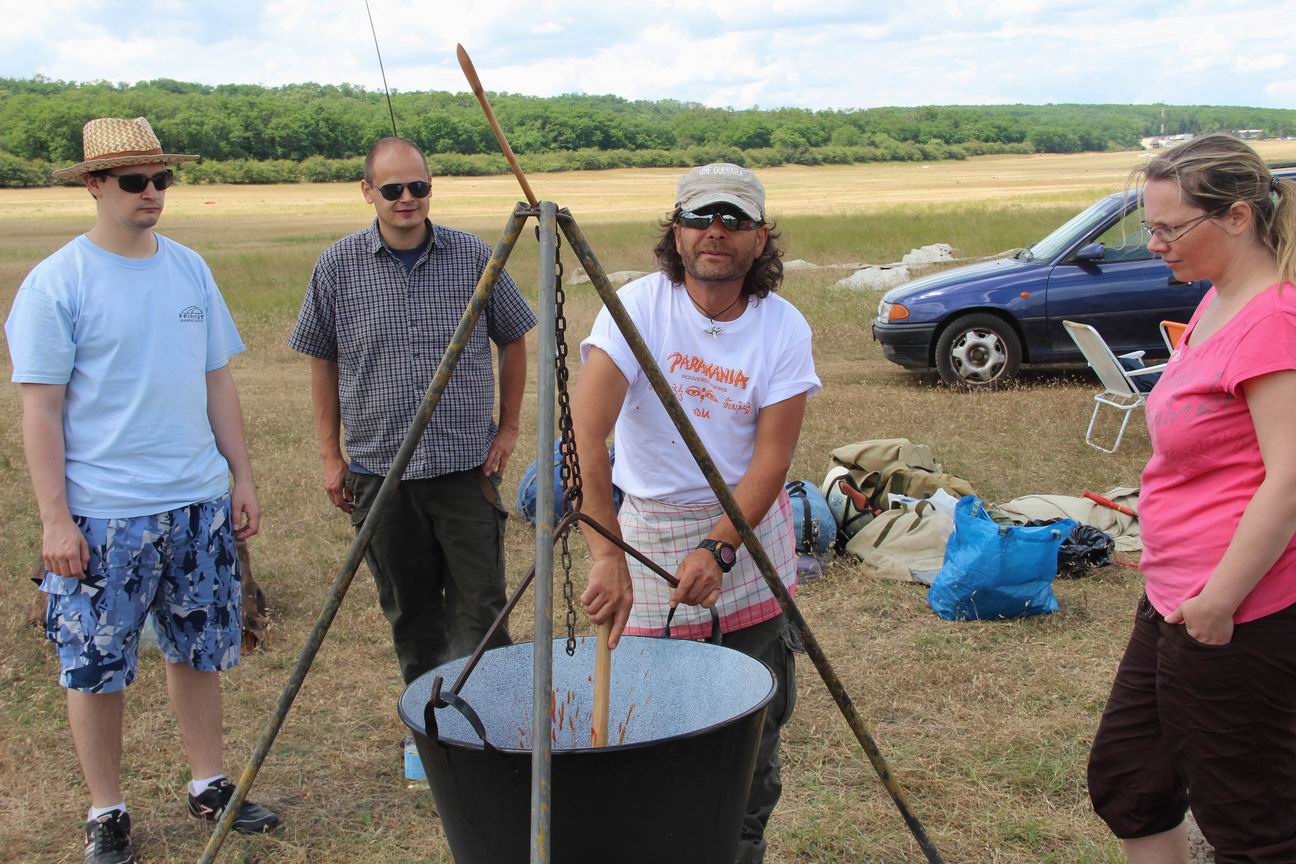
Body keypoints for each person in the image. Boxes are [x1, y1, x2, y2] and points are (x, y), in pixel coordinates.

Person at [4, 117, 279, 864]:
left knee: (199, 650)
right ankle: (107, 812)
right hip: (105, 515)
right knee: (96, 668)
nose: (152, 192)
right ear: (94, 185)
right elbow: (40, 412)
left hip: (197, 502)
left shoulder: (189, 269)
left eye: (162, 179)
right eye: (134, 181)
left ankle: (209, 784)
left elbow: (216, 379)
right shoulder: (58, 283)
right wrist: (56, 520)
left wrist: (241, 476)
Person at [573, 163, 821, 863]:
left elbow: (771, 462)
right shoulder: (636, 308)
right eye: (700, 218)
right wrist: (606, 553)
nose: (716, 232)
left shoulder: (782, 327)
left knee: (748, 746)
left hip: (743, 536)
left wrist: (718, 548)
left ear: (759, 238)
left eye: (733, 220)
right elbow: (585, 432)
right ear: (676, 232)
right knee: (649, 729)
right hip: (648, 531)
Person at [1087, 135, 1296, 863]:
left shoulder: (1274, 322)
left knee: (1251, 823)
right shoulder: (1216, 300)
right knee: (1130, 780)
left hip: (1236, 611)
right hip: (1176, 592)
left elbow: (1289, 479)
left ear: (1237, 216)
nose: (1155, 245)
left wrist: (1219, 602)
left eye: (1171, 228)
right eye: (1150, 226)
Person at [289, 137, 536, 685]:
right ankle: (429, 722)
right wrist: (331, 456)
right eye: (393, 189)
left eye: (418, 187)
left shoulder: (473, 256)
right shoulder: (337, 266)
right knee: (412, 616)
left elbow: (513, 337)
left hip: (465, 469)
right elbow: (321, 361)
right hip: (381, 474)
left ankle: (493, 719)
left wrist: (509, 427)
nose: (407, 198)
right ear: (367, 191)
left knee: (482, 614)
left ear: (430, 188)